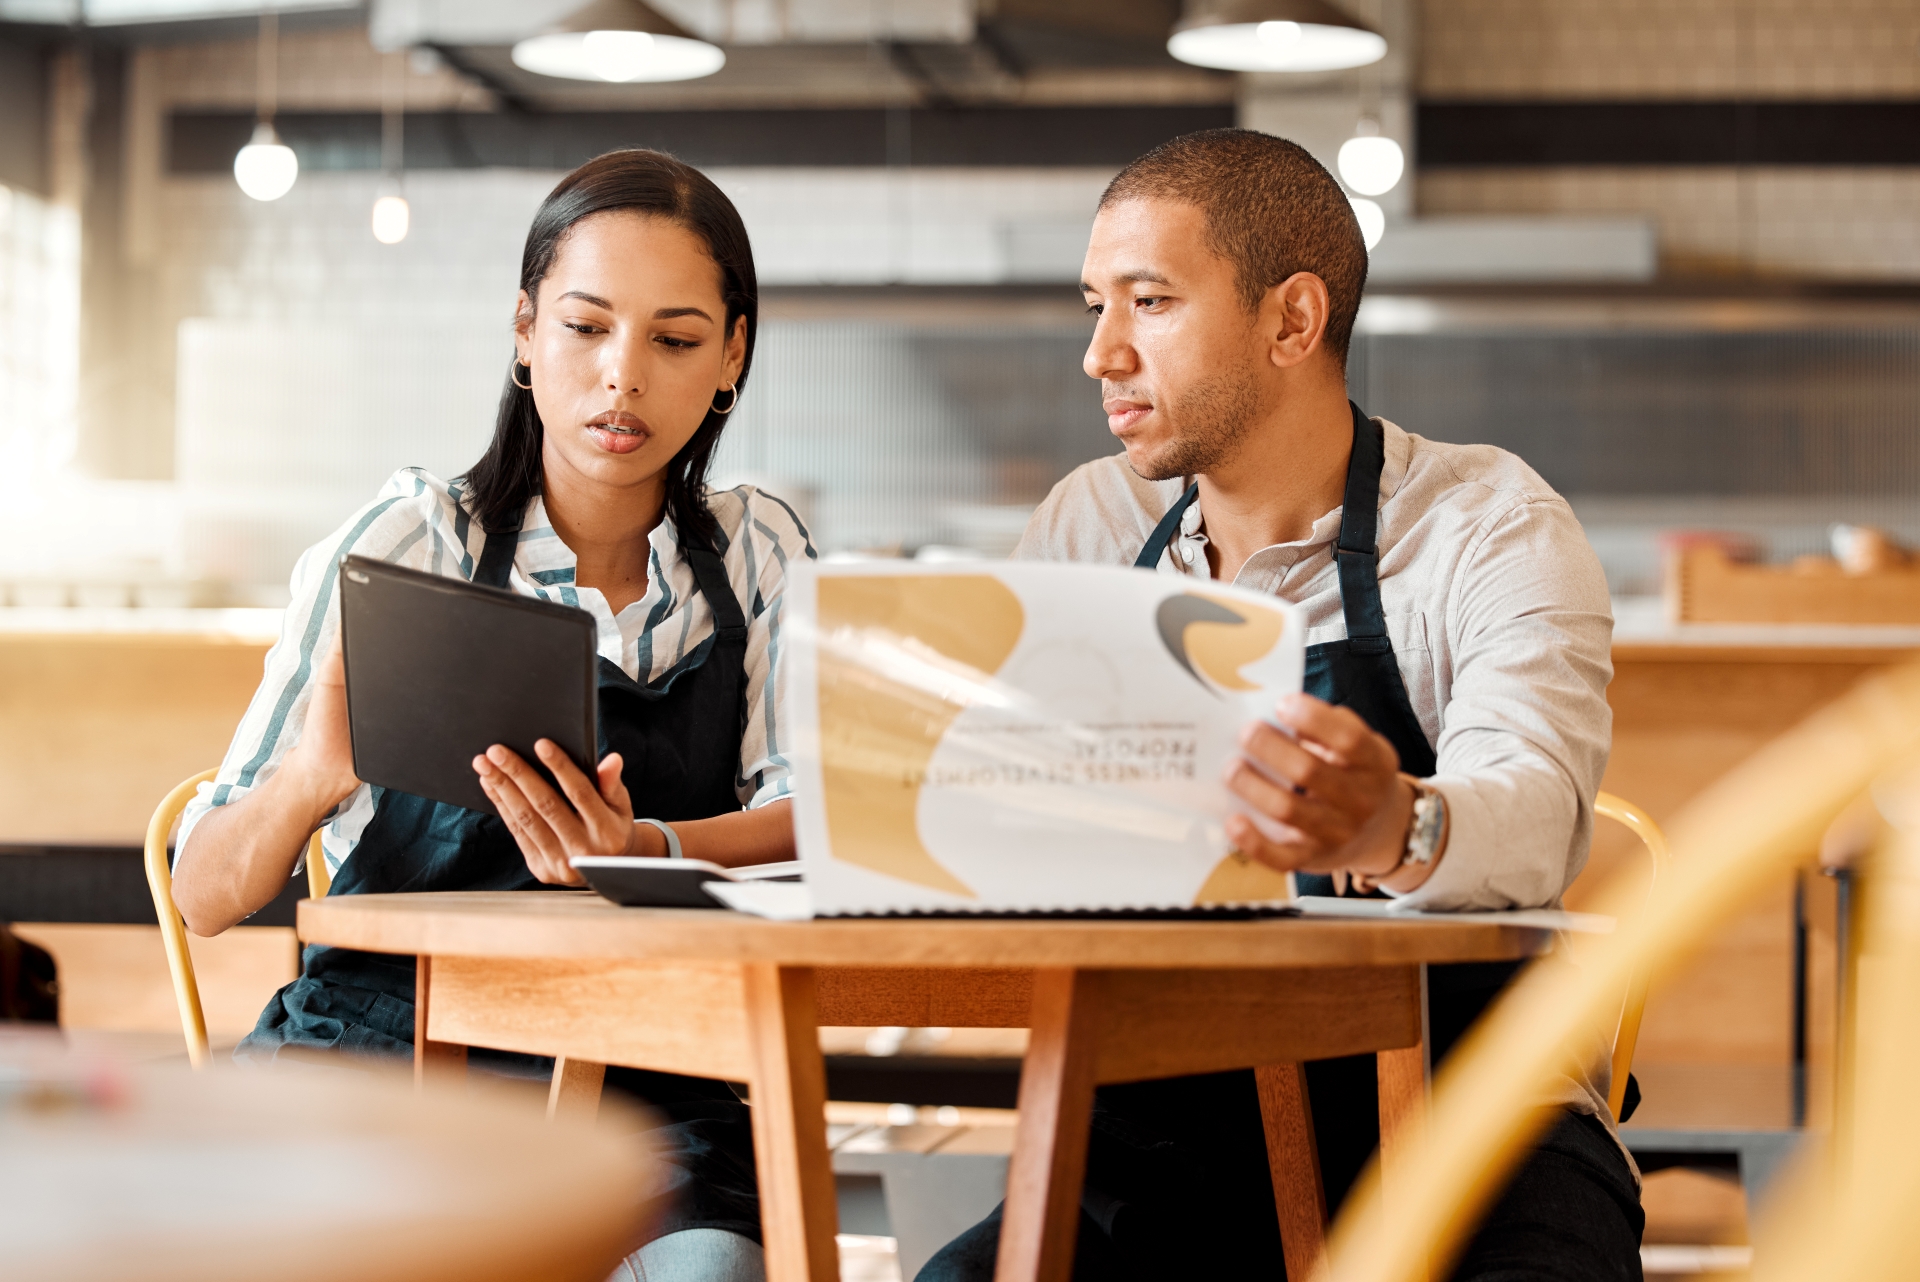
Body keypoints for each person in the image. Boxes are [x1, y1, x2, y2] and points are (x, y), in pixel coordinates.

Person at [918, 129, 1640, 1280]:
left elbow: (1539, 810)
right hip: (1168, 1119)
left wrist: (1392, 821)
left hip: (1473, 1112)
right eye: (1096, 305)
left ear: (1293, 321)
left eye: (1150, 301)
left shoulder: (1488, 523)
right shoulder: (1088, 527)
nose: (1101, 353)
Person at [173, 149, 807, 1282]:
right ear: (524, 331)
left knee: (716, 1270)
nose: (622, 377)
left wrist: (646, 851)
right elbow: (205, 893)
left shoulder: (759, 552)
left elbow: (821, 822)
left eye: (673, 341)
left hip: (652, 1081)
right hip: (383, 1057)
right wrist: (313, 775)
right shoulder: (411, 541)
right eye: (585, 327)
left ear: (731, 356)